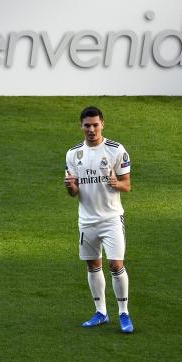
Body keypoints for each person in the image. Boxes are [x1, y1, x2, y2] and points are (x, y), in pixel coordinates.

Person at [63, 106, 134, 333]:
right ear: (81, 126)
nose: (91, 129)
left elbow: (127, 185)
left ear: (102, 124)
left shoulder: (116, 150)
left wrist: (116, 184)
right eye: (87, 125)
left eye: (95, 125)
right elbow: (73, 193)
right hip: (86, 220)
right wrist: (71, 187)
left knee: (115, 265)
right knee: (93, 264)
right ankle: (101, 312)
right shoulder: (73, 154)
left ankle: (124, 313)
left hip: (111, 219)